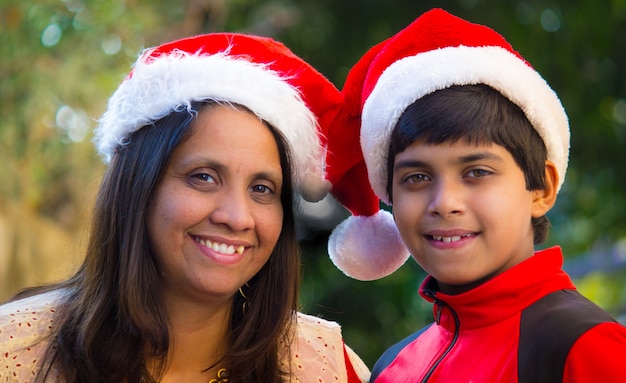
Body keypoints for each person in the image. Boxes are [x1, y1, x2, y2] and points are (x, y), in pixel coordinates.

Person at [0, 33, 370, 383]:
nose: (237, 217)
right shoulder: (14, 352)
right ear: (137, 186)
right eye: (204, 177)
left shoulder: (328, 366)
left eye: (262, 188)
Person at [322, 8, 626, 382]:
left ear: (542, 188)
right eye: (416, 178)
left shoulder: (584, 347)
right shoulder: (392, 365)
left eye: (477, 172)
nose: (445, 203)